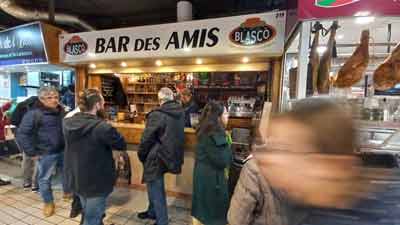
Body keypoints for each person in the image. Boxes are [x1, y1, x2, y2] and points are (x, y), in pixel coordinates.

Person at [228, 98, 370, 225]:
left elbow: (236, 218)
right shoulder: (303, 205)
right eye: (271, 146)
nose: (268, 159)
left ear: (332, 166)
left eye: (285, 149)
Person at [63, 89, 126, 225]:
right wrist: (109, 126)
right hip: (96, 181)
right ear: (97, 105)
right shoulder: (102, 127)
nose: (103, 105)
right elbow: (121, 143)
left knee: (87, 212)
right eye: (102, 103)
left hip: (77, 177)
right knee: (92, 219)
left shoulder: (67, 123)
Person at [16, 87, 69, 217]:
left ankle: (67, 192)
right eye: (50, 97)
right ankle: (48, 203)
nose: (54, 100)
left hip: (63, 150)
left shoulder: (60, 111)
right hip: (45, 153)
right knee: (44, 179)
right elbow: (22, 134)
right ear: (41, 99)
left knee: (67, 173)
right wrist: (31, 153)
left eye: (56, 97)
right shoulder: (34, 114)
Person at [137, 87, 185, 225]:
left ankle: (162, 221)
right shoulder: (180, 112)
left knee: (155, 188)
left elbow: (147, 138)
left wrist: (141, 154)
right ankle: (152, 212)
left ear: (160, 100)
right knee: (154, 184)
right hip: (171, 155)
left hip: (156, 155)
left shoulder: (157, 114)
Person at [191, 101, 232, 225]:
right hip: (213, 182)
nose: (228, 115)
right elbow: (223, 160)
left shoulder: (204, 130)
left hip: (203, 177)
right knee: (213, 215)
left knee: (202, 212)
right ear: (217, 117)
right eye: (225, 113)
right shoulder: (215, 134)